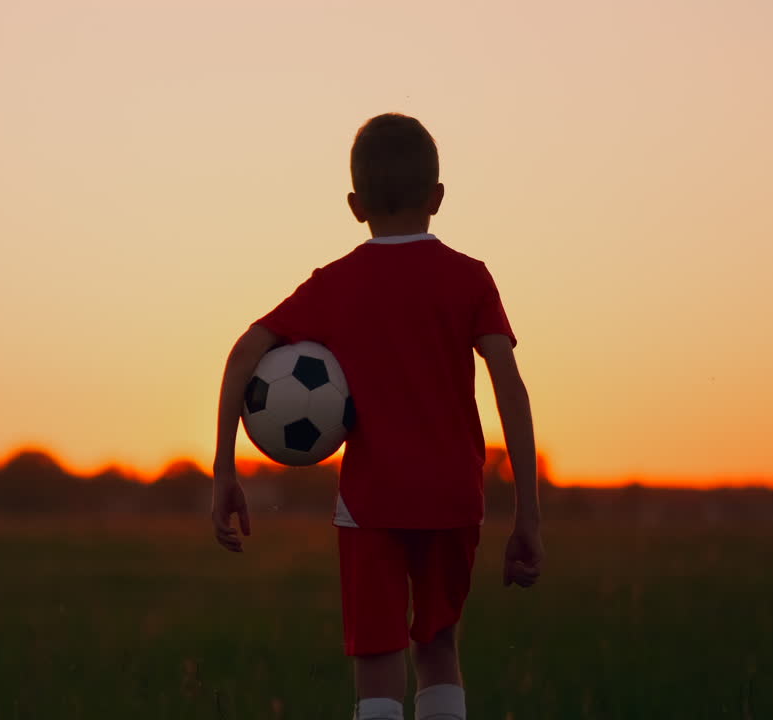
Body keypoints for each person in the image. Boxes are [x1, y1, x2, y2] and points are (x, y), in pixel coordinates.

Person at [209, 113, 544, 720]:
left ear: (355, 204)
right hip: (453, 496)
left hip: (372, 503)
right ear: (438, 197)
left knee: (377, 661)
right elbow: (510, 388)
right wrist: (528, 512)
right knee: (439, 644)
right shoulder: (471, 278)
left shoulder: (335, 283)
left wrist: (224, 469)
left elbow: (244, 353)